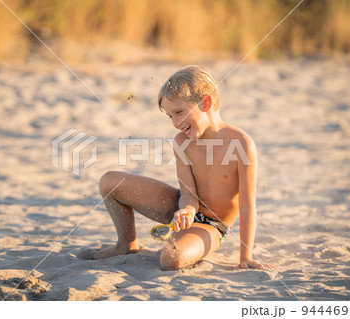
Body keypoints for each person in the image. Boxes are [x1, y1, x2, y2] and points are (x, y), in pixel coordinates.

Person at [93, 65, 274, 271]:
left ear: (206, 102)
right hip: (182, 206)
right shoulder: (182, 142)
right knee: (109, 181)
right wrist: (187, 209)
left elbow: (247, 204)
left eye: (179, 112)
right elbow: (188, 193)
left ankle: (184, 239)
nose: (176, 123)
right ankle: (126, 244)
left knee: (171, 259)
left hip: (212, 224)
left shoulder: (241, 144)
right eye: (170, 116)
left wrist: (246, 257)